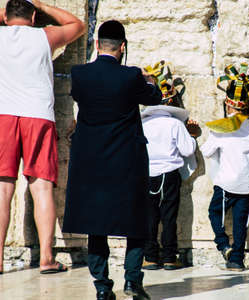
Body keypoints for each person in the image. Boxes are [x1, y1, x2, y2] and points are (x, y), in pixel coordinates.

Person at [62, 20, 161, 300]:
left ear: (96, 44)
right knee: (135, 221)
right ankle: (132, 281)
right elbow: (154, 97)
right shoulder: (131, 77)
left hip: (90, 162)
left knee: (97, 224)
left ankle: (103, 287)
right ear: (123, 47)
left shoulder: (79, 74)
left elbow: (83, 98)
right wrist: (148, 80)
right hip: (125, 161)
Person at [0, 0, 85, 275]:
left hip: (3, 115)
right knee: (42, 188)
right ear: (34, 15)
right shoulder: (44, 36)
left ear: (6, 15)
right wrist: (43, 6)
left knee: (2, 190)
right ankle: (47, 258)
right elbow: (78, 25)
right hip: (38, 115)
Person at [201, 63, 249, 272]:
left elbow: (206, 151)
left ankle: (223, 245)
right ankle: (237, 260)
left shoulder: (221, 128)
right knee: (241, 223)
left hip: (226, 182)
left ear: (228, 106)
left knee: (214, 213)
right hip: (247, 183)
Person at [140, 62, 201, 271]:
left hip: (147, 174)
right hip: (169, 174)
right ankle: (168, 257)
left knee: (149, 216)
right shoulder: (175, 124)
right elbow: (187, 151)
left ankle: (149, 257)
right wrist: (192, 136)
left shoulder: (143, 124)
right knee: (169, 217)